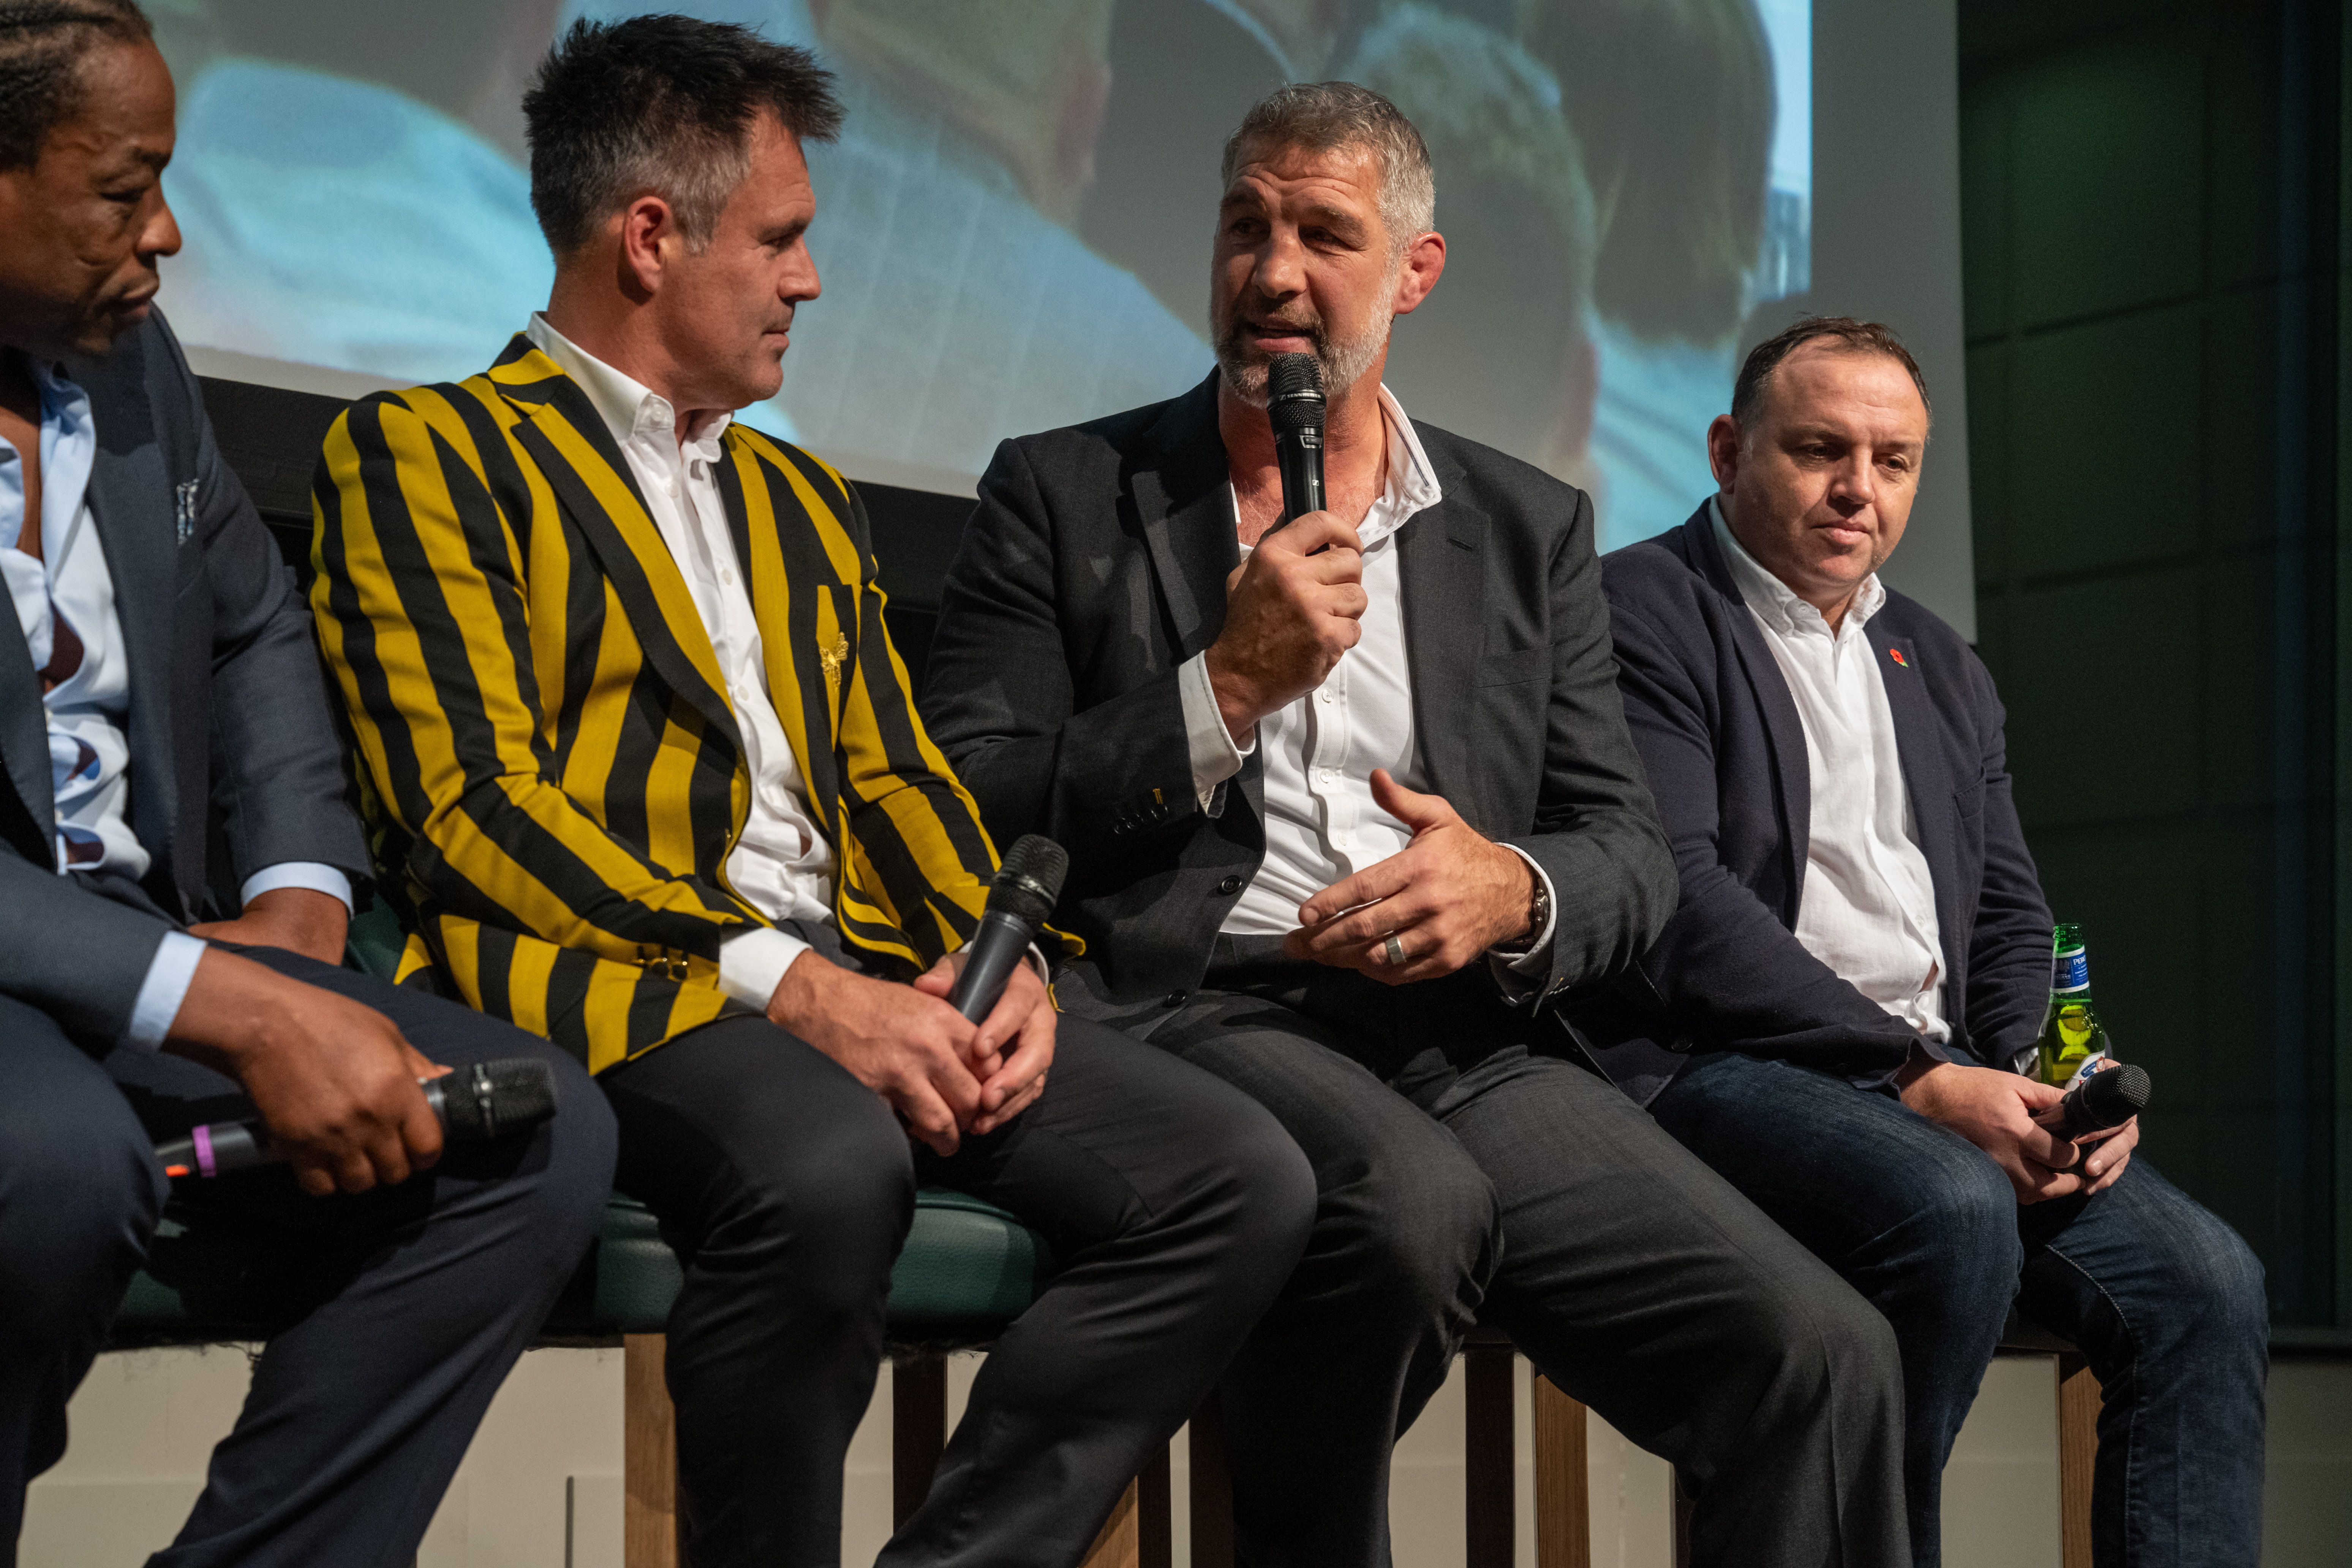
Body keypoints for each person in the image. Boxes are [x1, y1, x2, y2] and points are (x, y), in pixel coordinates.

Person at [307, 16, 1315, 1566]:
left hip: (865, 979)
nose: (812, 279)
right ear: (651, 238)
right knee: (834, 1165)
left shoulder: (798, 493)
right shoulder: (429, 452)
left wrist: (1003, 966)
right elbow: (471, 812)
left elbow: (896, 776)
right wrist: (795, 988)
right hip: (627, 989)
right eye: (781, 240)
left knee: (1238, 1180)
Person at [920, 82, 1910, 1568]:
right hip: (1204, 1004)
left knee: (1824, 1355)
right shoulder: (1067, 491)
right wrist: (1222, 689)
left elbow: (1628, 852)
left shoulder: (1524, 527)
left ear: (1416, 271)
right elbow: (964, 800)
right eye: (1246, 227)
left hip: (1466, 1044)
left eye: (1325, 235)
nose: (1274, 273)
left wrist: (1510, 889)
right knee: (1407, 1213)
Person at [0, 6, 616, 1566]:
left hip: (156, 953)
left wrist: (298, 897)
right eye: (122, 188)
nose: (167, 232)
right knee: (54, 1167)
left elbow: (250, 622)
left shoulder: (135, 365)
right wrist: (233, 1012)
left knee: (530, 1139)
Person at [1599, 316, 2270, 1568]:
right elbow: (1675, 900)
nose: (1860, 488)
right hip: (1718, 1065)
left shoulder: (1942, 663)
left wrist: (2053, 1073)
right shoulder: (1638, 609)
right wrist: (1915, 1073)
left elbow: (2008, 914)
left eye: (1894, 461)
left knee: (2208, 1281)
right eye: (1821, 450)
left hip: (1934, 1075)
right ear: (1727, 451)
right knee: (1950, 1205)